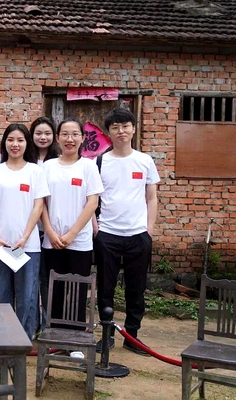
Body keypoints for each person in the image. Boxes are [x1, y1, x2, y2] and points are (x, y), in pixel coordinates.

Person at [94, 107, 160, 355]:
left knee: (136, 287)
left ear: (133, 129)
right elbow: (92, 198)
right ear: (108, 132)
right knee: (105, 287)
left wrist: (149, 230)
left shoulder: (144, 161)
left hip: (138, 234)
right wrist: (97, 229)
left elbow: (151, 197)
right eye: (115, 127)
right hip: (108, 234)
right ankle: (107, 335)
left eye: (125, 126)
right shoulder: (100, 162)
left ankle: (133, 336)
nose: (121, 131)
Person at [0, 123, 49, 339]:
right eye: (11, 139)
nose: (15, 144)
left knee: (27, 293)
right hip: (0, 245)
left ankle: (25, 336)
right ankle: (2, 336)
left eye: (20, 140)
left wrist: (24, 237)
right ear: (4, 142)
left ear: (27, 143)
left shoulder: (35, 171)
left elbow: (38, 206)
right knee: (0, 292)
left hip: (28, 245)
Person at [41, 117, 103, 331]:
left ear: (83, 138)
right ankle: (55, 333)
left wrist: (72, 234)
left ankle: (76, 336)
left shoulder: (88, 167)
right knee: (54, 290)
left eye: (75, 134)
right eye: (65, 134)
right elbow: (41, 203)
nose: (70, 139)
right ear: (57, 138)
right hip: (52, 240)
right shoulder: (48, 167)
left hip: (80, 241)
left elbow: (92, 202)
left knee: (77, 290)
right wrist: (49, 231)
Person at [29, 116, 60, 330]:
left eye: (47, 133)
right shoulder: (26, 160)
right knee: (32, 279)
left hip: (51, 230)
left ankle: (49, 321)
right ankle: (32, 322)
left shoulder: (59, 161)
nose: (43, 137)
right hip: (29, 230)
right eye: (38, 133)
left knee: (48, 279)